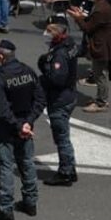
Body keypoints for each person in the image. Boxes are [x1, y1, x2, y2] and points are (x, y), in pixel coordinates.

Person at [0, 39, 45, 220]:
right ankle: (30, 202)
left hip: (6, 129)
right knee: (26, 164)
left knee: (5, 167)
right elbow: (40, 99)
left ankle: (5, 209)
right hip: (26, 127)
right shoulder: (28, 71)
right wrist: (28, 122)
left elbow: (2, 110)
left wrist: (19, 125)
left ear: (1, 56)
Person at [38, 23, 80, 186]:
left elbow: (57, 79)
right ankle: (70, 168)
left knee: (61, 138)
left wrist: (46, 70)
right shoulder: (69, 44)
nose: (45, 34)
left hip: (60, 99)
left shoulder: (60, 54)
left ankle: (66, 172)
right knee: (63, 136)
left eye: (48, 31)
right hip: (69, 95)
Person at [69, 0, 111, 113]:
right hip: (102, 44)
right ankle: (100, 99)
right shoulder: (102, 6)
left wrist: (78, 18)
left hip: (101, 46)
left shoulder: (100, 9)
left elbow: (87, 28)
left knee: (99, 75)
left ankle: (101, 102)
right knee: (100, 74)